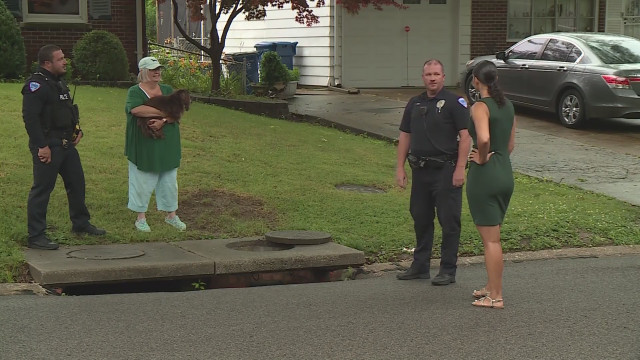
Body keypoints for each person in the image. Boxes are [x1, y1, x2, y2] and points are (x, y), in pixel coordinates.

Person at [22, 44, 106, 250]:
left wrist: (77, 130)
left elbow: (68, 111)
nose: (65, 61)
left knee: (77, 183)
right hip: (48, 145)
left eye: (64, 57)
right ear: (47, 63)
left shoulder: (59, 83)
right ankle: (36, 235)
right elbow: (30, 119)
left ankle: (81, 223)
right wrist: (42, 146)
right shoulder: (36, 85)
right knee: (42, 189)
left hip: (67, 144)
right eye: (60, 59)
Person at [396, 59, 471, 285]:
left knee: (449, 221)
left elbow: (466, 137)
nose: (432, 78)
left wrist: (460, 169)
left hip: (446, 170)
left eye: (436, 74)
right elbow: (405, 135)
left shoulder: (454, 102)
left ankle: (448, 270)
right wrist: (399, 167)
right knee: (420, 217)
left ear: (443, 77)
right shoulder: (414, 103)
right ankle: (420, 266)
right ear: (423, 77)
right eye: (428, 74)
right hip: (420, 170)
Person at [466, 60, 516, 309]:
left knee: (491, 241)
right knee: (494, 236)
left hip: (485, 175)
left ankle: (495, 296)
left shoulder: (479, 107)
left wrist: (482, 157)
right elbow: (509, 146)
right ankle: (490, 285)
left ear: (476, 79)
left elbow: (483, 138)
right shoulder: (508, 106)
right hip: (505, 173)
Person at [125, 56, 186, 232]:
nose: (157, 72)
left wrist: (163, 120)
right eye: (152, 69)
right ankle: (141, 218)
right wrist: (166, 111)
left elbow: (178, 111)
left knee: (169, 179)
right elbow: (136, 109)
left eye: (158, 69)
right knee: (142, 178)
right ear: (143, 72)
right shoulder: (135, 92)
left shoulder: (166, 89)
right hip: (144, 142)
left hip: (168, 141)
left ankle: (171, 215)